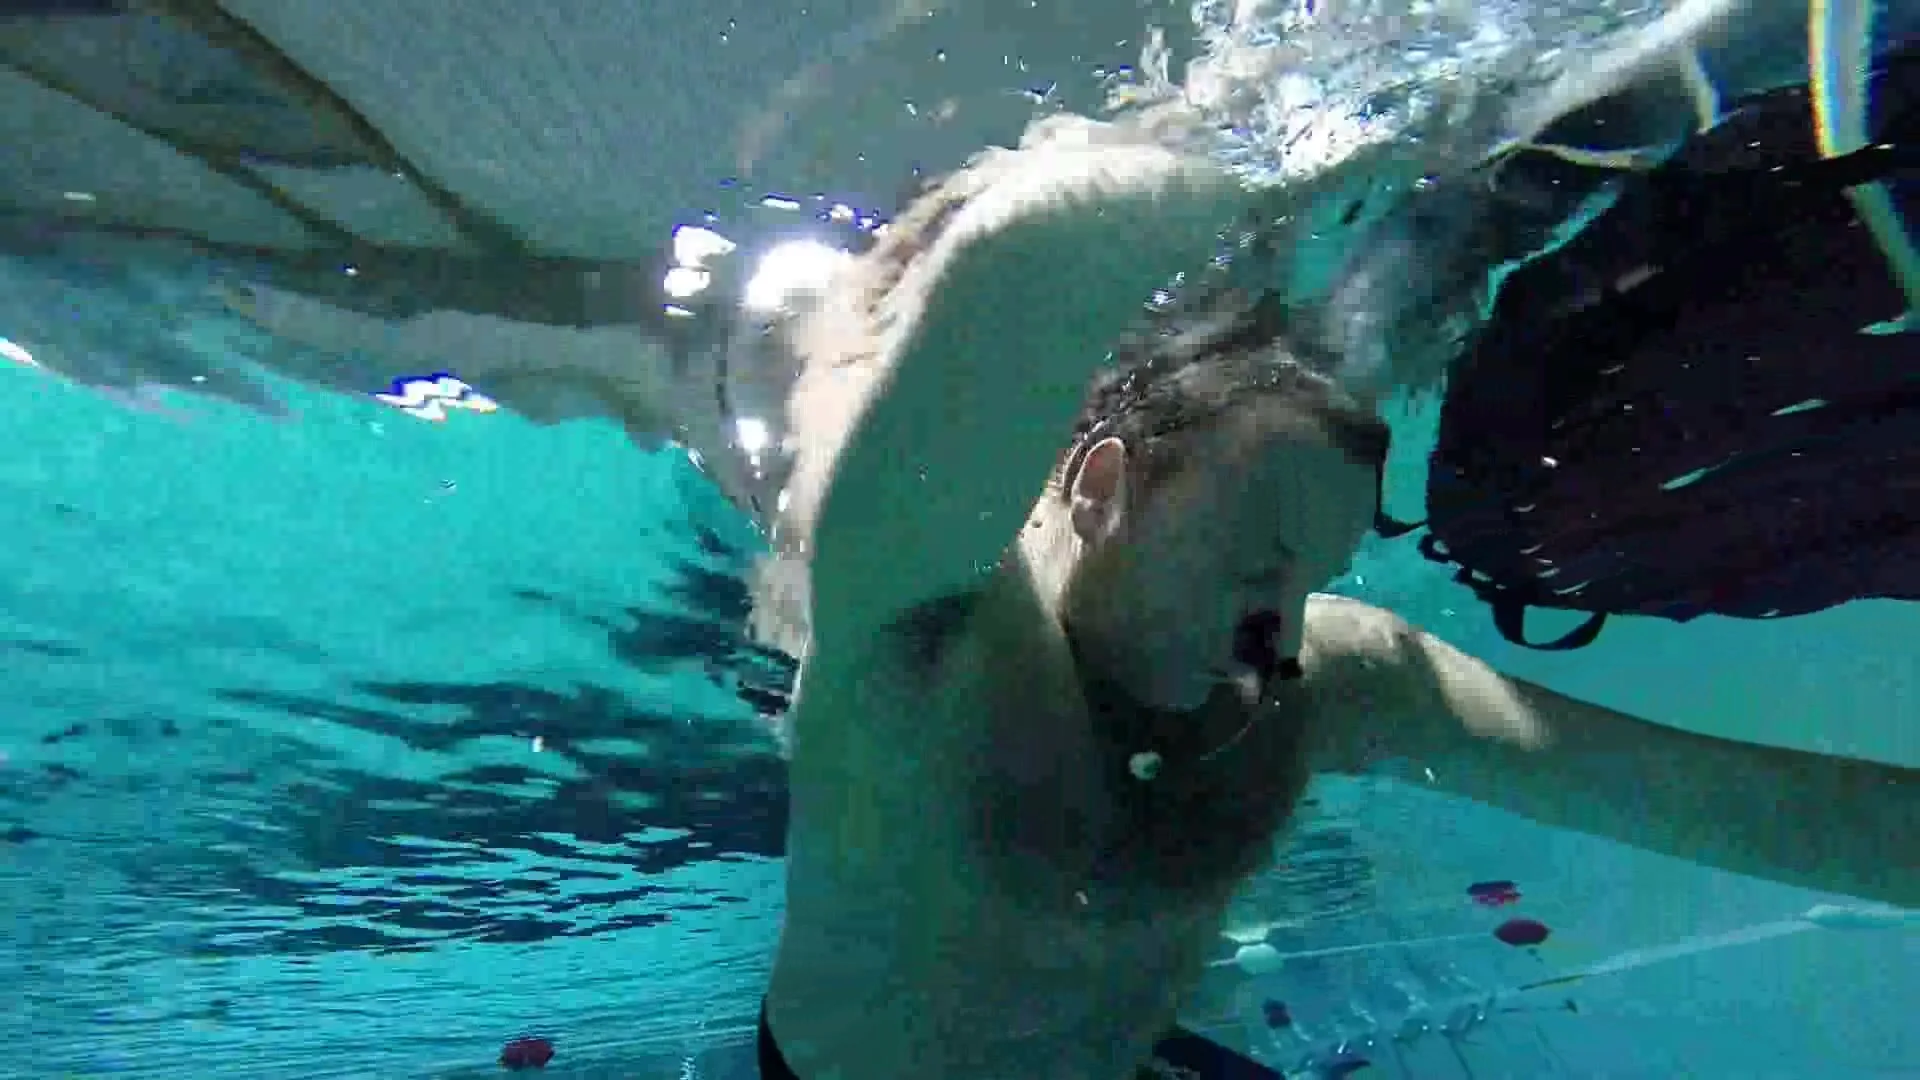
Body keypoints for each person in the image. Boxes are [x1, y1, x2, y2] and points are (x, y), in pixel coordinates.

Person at [745, 114, 1917, 1080]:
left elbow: (1735, 805)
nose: (1283, 639)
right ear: (1098, 487)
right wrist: (1261, 140)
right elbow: (1005, 282)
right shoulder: (932, 634)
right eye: (1259, 568)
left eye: (1313, 582)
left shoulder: (1325, 682)